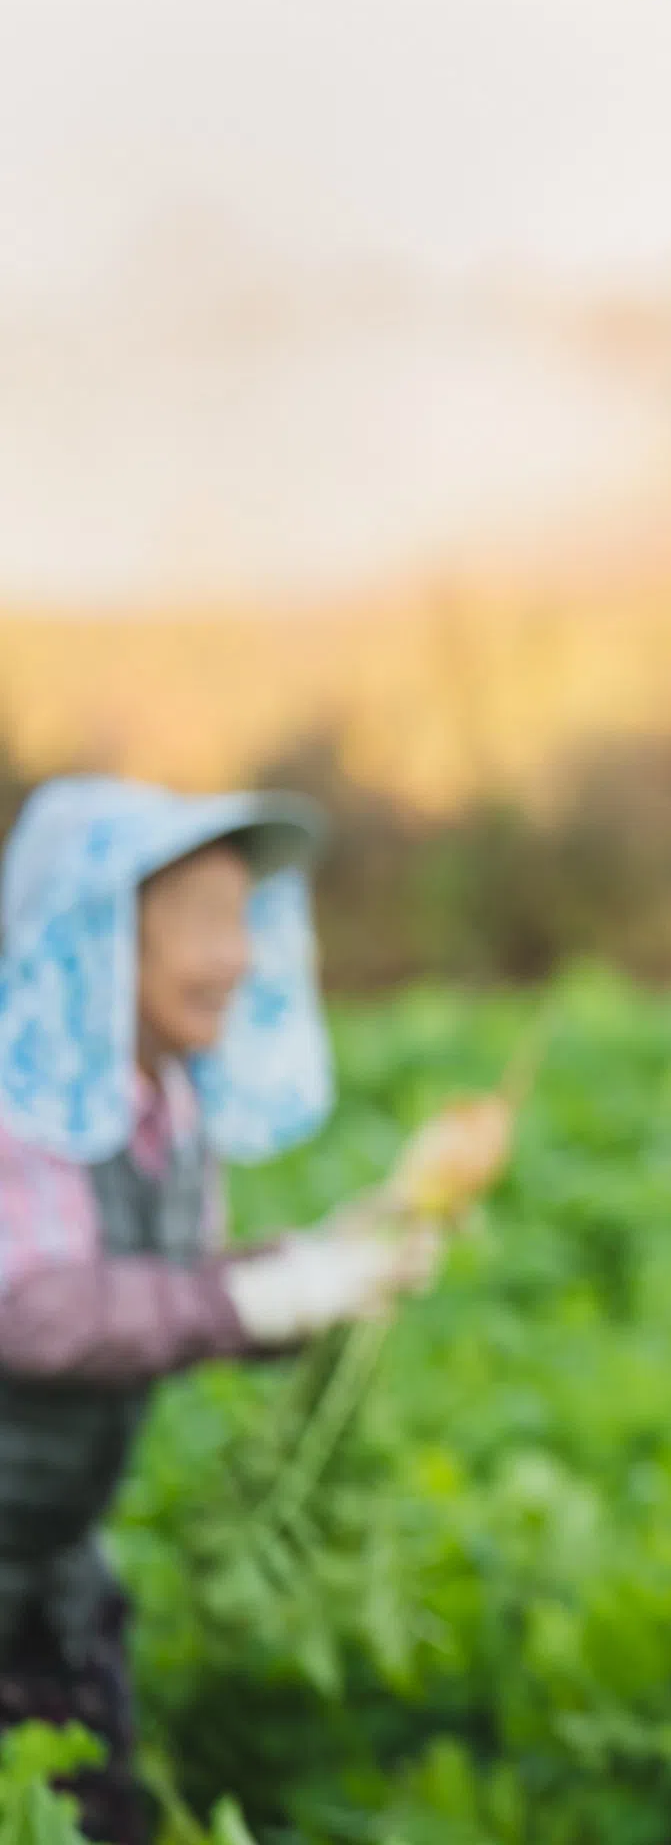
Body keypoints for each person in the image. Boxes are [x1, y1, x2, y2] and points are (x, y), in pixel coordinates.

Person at [0, 779, 444, 1843]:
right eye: (200, 919)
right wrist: (254, 1295)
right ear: (99, 933)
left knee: (98, 1807)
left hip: (50, 1552)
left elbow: (171, 1292)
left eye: (243, 918)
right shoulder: (20, 1097)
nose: (238, 956)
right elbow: (31, 1308)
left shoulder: (163, 1098)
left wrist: (318, 1266)